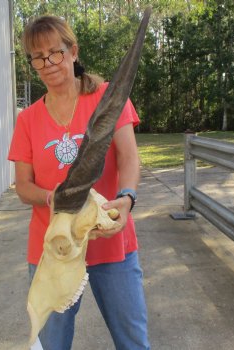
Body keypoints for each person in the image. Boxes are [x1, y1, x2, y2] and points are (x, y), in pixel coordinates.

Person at [8, 15, 150, 350]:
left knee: (133, 343)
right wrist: (49, 197)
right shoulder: (27, 120)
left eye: (55, 52)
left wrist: (127, 199)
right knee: (52, 345)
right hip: (54, 248)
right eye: (38, 57)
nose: (48, 63)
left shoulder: (107, 97)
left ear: (73, 52)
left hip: (110, 244)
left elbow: (129, 159)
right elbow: (23, 186)